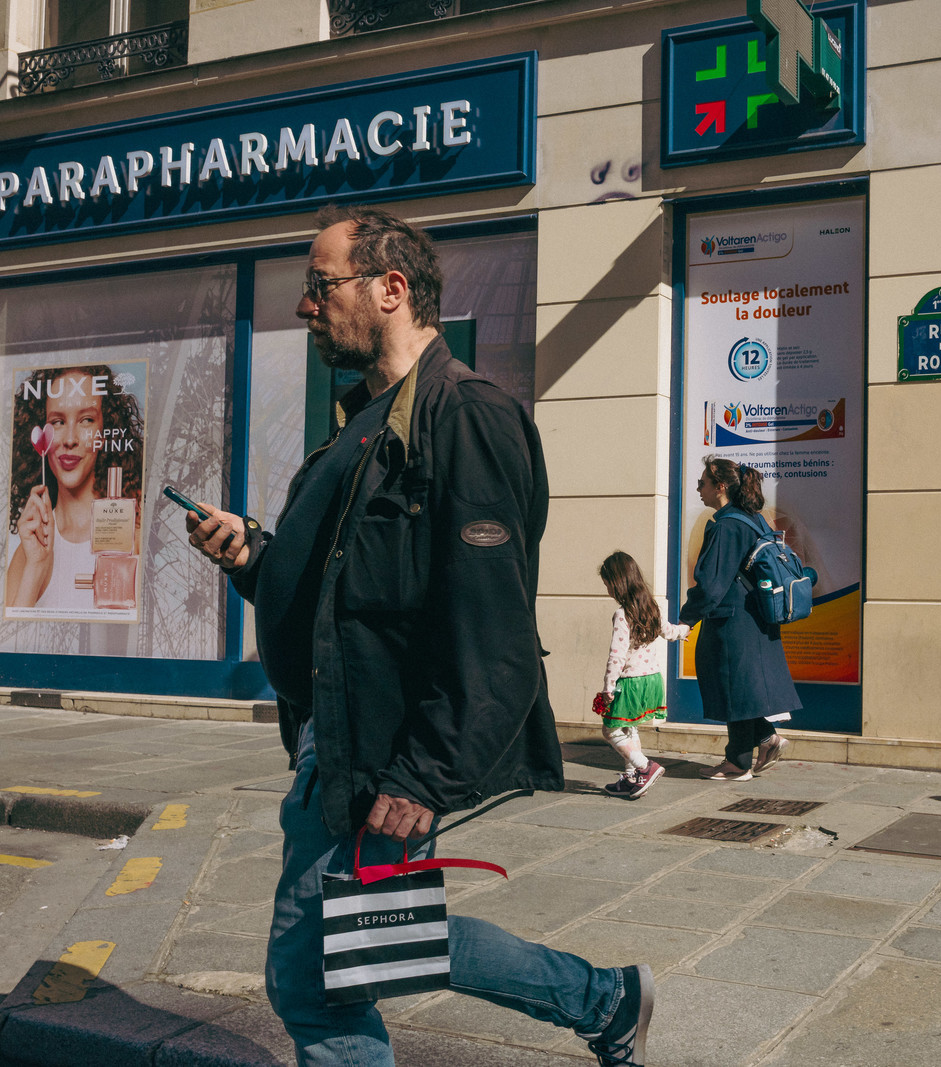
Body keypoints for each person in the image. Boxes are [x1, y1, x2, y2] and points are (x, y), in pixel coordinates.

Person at [181, 205, 652, 1066]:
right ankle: (605, 998)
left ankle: (604, 997)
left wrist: (427, 773)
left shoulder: (461, 415)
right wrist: (254, 557)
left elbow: (494, 626)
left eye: (321, 285)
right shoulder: (368, 422)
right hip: (339, 737)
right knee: (371, 943)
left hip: (381, 752)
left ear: (391, 288)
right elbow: (352, 590)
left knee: (314, 975)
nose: (305, 306)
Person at [680, 457, 800, 781]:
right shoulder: (753, 519)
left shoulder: (726, 526)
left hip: (732, 622)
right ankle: (764, 740)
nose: (698, 488)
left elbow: (710, 584)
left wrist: (686, 619)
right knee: (742, 690)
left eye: (702, 483)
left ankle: (737, 763)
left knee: (734, 689)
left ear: (720, 486)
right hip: (756, 618)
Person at [6, 364, 145, 611]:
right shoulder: (28, 551)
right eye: (57, 422)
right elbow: (11, 633)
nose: (70, 439)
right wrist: (36, 566)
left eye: (86, 420)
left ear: (106, 429)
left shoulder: (134, 529)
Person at [595, 550, 689, 800]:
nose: (607, 590)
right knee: (630, 728)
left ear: (618, 582)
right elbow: (669, 632)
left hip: (631, 682)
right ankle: (631, 778)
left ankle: (645, 767)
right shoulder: (650, 607)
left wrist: (608, 687)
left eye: (608, 584)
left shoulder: (622, 614)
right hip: (652, 680)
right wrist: (684, 631)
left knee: (610, 730)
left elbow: (617, 656)